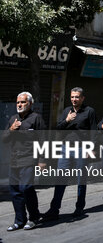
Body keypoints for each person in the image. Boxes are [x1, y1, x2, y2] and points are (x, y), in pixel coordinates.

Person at [43, 87, 97, 221]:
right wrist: (67, 120)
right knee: (61, 179)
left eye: (77, 97)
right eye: (72, 97)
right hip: (65, 149)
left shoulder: (89, 111)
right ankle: (54, 209)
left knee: (81, 180)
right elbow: (59, 128)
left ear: (82, 98)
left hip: (81, 149)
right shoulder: (67, 111)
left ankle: (79, 207)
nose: (74, 99)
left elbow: (94, 132)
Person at [3, 92, 46, 231]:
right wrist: (11, 129)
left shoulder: (36, 119)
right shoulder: (13, 119)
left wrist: (42, 160)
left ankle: (33, 217)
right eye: (18, 102)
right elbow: (4, 139)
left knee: (26, 188)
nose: (20, 105)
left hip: (29, 159)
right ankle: (19, 220)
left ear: (30, 103)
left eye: (23, 102)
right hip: (14, 160)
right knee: (15, 191)